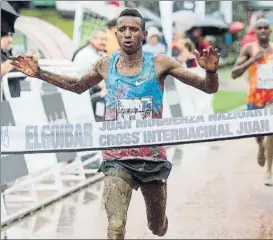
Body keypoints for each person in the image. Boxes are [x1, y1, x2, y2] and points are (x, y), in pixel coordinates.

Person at [10, 9, 220, 239]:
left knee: (156, 227)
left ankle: (161, 223)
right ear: (116, 34)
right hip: (116, 158)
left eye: (134, 30)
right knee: (115, 227)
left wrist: (211, 72)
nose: (128, 34)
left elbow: (209, 88)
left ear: (143, 34)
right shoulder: (105, 65)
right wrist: (40, 73)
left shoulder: (160, 63)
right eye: (123, 30)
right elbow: (79, 86)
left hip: (152, 158)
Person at [231, 18, 273, 186]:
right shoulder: (249, 49)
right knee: (259, 136)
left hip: (271, 99)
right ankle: (260, 146)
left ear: (269, 31)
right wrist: (252, 60)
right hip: (255, 99)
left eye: (266, 28)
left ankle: (269, 171)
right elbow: (234, 73)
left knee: (271, 133)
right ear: (255, 31)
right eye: (259, 28)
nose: (263, 30)